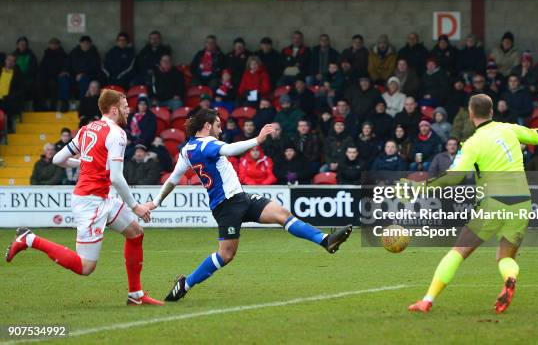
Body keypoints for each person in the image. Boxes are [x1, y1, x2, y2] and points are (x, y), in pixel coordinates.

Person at [408, 94, 538, 314]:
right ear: (492, 112)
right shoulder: (509, 129)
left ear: (471, 113)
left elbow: (453, 177)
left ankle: (427, 300)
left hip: (493, 202)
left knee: (458, 252)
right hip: (522, 201)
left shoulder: (472, 143)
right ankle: (510, 278)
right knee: (505, 257)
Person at [150, 110, 352, 301]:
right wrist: (257, 140)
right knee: (226, 255)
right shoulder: (207, 144)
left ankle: (326, 240)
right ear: (206, 126)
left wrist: (156, 202)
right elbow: (230, 149)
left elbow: (173, 179)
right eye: (218, 126)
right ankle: (185, 285)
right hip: (225, 206)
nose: (220, 130)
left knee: (282, 214)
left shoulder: (186, 150)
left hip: (240, 198)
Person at [7, 89, 163, 305]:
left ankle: (135, 295)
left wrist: (82, 163)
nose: (129, 109)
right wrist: (135, 206)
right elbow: (117, 178)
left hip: (104, 197)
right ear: (115, 109)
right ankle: (29, 239)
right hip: (90, 202)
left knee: (136, 233)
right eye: (126, 106)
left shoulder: (87, 128)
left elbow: (59, 159)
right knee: (85, 267)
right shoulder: (117, 133)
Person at [37, 37, 69, 111]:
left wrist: (61, 72)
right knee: (39, 83)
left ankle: (52, 107)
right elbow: (42, 67)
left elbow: (65, 67)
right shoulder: (46, 54)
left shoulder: (63, 55)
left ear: (58, 45)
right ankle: (42, 106)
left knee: (53, 84)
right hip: (47, 77)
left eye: (55, 44)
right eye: (52, 44)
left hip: (57, 77)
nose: (54, 45)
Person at [0, 53, 25, 131]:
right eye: (8, 60)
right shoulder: (0, 71)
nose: (10, 62)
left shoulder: (18, 74)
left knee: (7, 107)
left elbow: (21, 90)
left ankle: (8, 129)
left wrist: (9, 97)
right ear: (5, 61)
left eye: (12, 61)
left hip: (9, 100)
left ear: (15, 63)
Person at [14, 36, 38, 100]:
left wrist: (22, 77)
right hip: (15, 79)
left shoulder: (31, 56)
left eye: (24, 44)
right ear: (17, 45)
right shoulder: (13, 55)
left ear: (26, 45)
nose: (22, 45)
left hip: (27, 79)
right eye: (20, 44)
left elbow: (32, 69)